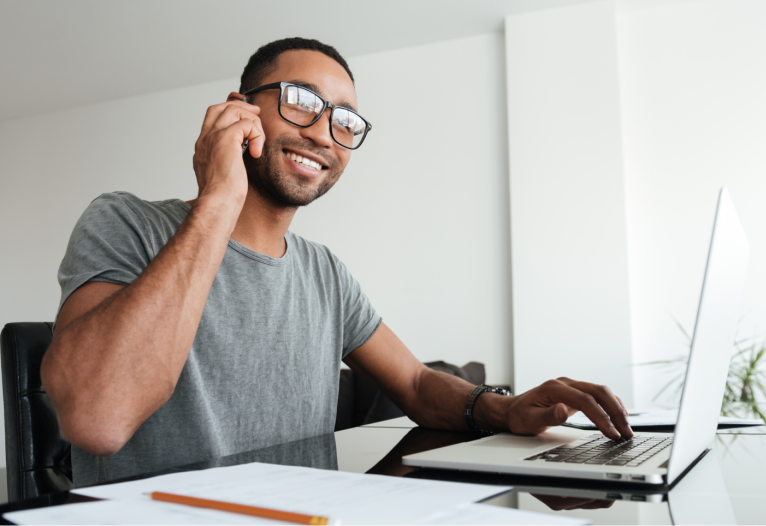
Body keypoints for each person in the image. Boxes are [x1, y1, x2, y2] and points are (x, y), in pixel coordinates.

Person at [41, 37, 633, 487]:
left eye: (344, 120)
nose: (324, 133)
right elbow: (98, 419)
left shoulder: (325, 273)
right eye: (302, 101)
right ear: (238, 110)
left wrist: (505, 409)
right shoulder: (126, 222)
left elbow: (419, 384)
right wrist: (220, 200)